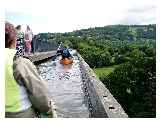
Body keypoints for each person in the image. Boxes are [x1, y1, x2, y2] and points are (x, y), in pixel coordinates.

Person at [5, 22, 51, 118]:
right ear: (14, 40)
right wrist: (47, 109)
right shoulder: (20, 62)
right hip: (18, 114)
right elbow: (40, 97)